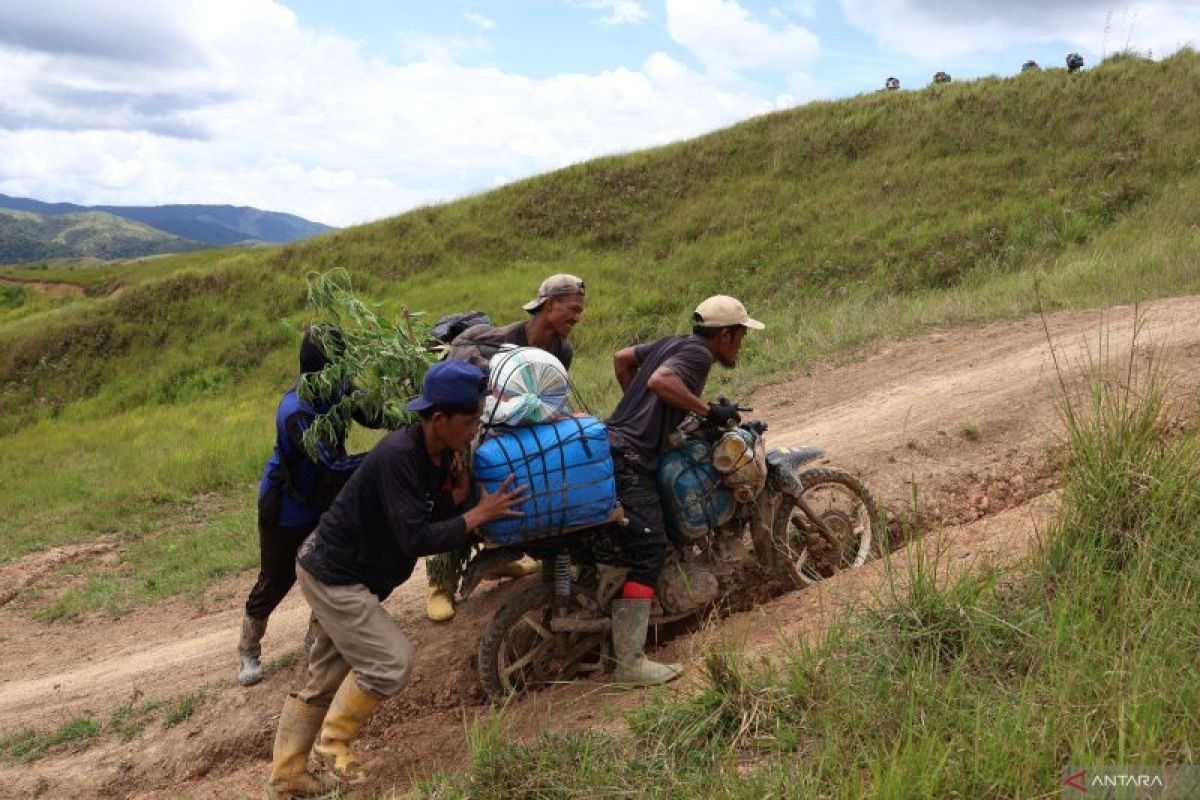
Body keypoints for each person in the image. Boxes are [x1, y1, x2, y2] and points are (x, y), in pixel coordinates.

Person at [266, 360, 527, 795]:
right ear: (438, 418)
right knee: (390, 662)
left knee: (326, 675)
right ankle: (332, 748)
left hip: (347, 572)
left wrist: (461, 499)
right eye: (469, 421)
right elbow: (414, 539)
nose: (473, 429)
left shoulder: (440, 456)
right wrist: (478, 514)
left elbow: (431, 521)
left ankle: (288, 775)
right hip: (333, 573)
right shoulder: (399, 456)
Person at [605, 295, 764, 686]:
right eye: (740, 336)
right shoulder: (698, 355)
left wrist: (652, 415)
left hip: (614, 444)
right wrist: (708, 412)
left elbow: (622, 359)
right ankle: (629, 663)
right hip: (630, 460)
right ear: (725, 335)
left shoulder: (672, 342)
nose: (740, 345)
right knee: (650, 549)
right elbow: (661, 381)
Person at [423, 273, 587, 622]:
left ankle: (509, 560)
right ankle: (440, 582)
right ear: (547, 305)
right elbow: (475, 404)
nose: (577, 317)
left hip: (521, 432)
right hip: (478, 428)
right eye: (572, 309)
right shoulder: (494, 343)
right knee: (458, 492)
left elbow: (550, 397)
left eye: (580, 311)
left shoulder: (563, 350)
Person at [237, 326, 382, 687]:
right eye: (339, 363)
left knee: (330, 568)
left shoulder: (341, 388)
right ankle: (249, 649)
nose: (346, 372)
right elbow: (330, 463)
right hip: (286, 507)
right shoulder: (295, 412)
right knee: (276, 579)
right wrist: (381, 458)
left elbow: (375, 415)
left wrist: (410, 413)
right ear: (321, 369)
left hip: (326, 499)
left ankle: (316, 639)